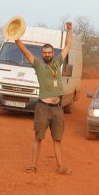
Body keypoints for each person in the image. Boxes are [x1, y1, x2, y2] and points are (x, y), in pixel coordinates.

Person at [16, 22, 73, 175]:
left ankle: (60, 167)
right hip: (43, 107)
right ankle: (33, 165)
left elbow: (68, 45)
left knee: (58, 139)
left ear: (53, 53)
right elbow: (25, 52)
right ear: (42, 54)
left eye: (49, 52)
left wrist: (68, 30)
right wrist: (16, 39)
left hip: (57, 108)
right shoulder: (38, 65)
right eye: (45, 52)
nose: (47, 54)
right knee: (38, 137)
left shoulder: (58, 62)